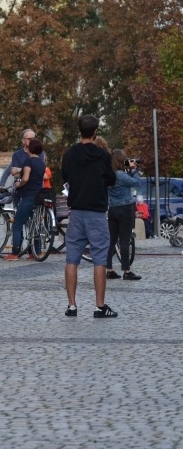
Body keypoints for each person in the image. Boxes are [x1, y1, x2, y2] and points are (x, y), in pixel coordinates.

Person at [61, 114, 117, 318]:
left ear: (80, 131)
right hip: (97, 212)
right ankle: (100, 306)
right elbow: (111, 179)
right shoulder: (102, 156)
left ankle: (72, 305)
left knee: (72, 259)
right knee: (100, 259)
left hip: (76, 212)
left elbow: (65, 176)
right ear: (95, 132)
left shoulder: (69, 154)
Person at [4, 139, 46, 260]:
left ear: (31, 149)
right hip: (39, 196)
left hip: (28, 195)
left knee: (17, 223)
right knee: (34, 224)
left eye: (27, 147)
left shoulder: (29, 161)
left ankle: (15, 253)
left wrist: (19, 185)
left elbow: (26, 178)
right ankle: (35, 251)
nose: (26, 149)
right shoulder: (41, 163)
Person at [106, 149, 142, 280]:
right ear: (121, 161)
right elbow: (136, 182)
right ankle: (127, 271)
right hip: (125, 208)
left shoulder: (109, 174)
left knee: (111, 240)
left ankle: (109, 269)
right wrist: (134, 169)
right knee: (125, 241)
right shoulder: (120, 174)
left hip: (113, 209)